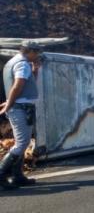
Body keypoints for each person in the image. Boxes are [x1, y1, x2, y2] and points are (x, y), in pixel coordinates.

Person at [0, 41, 42, 190]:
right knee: (22, 143)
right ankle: (1, 175)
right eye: (36, 52)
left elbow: (25, 86)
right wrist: (9, 104)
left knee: (22, 142)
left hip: (21, 107)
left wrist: (35, 71)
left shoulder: (15, 62)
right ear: (29, 51)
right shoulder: (22, 64)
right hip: (21, 108)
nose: (37, 55)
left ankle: (18, 176)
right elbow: (17, 85)